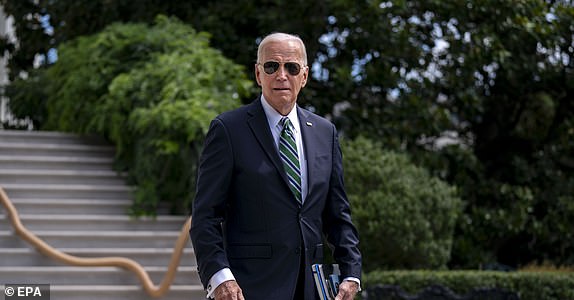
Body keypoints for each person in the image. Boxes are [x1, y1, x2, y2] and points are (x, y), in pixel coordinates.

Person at [190, 32, 362, 300]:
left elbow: (337, 214)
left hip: (312, 289)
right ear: (259, 74)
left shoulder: (324, 132)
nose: (281, 75)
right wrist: (219, 277)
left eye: (291, 67)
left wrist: (352, 273)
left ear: (304, 77)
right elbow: (205, 217)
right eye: (272, 66)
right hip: (248, 289)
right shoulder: (228, 130)